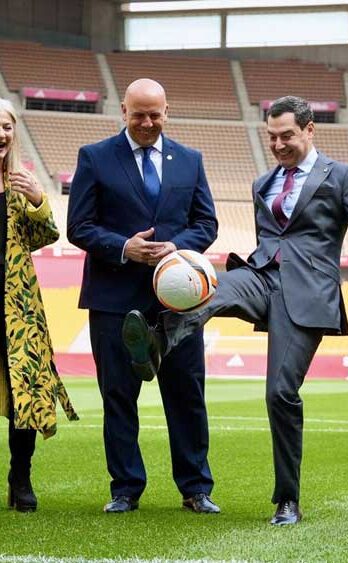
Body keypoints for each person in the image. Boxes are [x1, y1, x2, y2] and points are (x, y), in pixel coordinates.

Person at [122, 95, 348, 526]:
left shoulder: (342, 177)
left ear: (310, 130)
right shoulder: (262, 184)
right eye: (272, 136)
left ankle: (287, 499)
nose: (277, 144)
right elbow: (270, 240)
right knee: (209, 288)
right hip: (260, 276)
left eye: (287, 135)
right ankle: (159, 341)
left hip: (308, 295)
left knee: (280, 394)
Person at [66, 79, 219, 514]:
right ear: (124, 112)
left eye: (155, 114)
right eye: (139, 115)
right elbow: (78, 226)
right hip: (114, 298)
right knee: (118, 395)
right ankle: (125, 489)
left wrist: (178, 246)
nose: (148, 122)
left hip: (179, 302)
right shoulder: (94, 157)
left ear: (167, 111)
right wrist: (123, 247)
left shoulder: (190, 160)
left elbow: (206, 223)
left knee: (187, 393)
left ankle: (195, 488)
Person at [0, 98, 78, 512]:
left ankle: (20, 478)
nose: (2, 133)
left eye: (8, 127)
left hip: (18, 307)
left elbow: (44, 236)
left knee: (24, 395)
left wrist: (37, 201)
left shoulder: (19, 184)